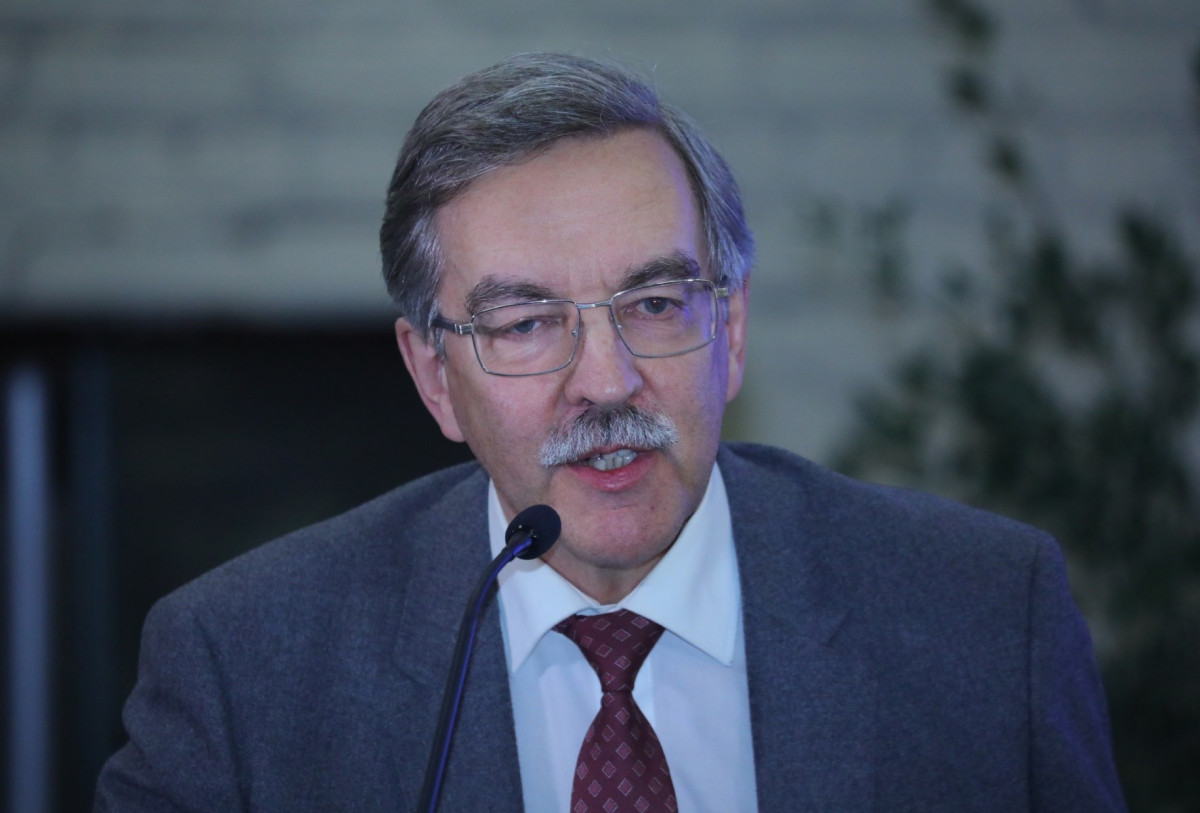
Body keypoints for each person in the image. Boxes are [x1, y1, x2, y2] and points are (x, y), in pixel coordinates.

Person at [95, 52, 1127, 812]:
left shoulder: (988, 620)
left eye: (656, 303)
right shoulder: (242, 670)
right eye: (525, 324)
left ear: (731, 331)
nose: (606, 381)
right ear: (435, 378)